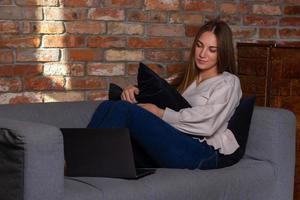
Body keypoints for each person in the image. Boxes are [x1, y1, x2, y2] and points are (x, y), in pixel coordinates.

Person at [87, 19, 242, 170]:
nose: (202, 54)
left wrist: (161, 113)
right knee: (109, 105)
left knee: (124, 110)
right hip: (176, 142)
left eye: (212, 49)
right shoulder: (185, 78)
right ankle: (78, 161)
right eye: (199, 46)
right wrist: (135, 90)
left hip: (202, 151)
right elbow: (160, 91)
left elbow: (208, 125)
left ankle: (87, 164)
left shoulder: (228, 82)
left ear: (222, 52)